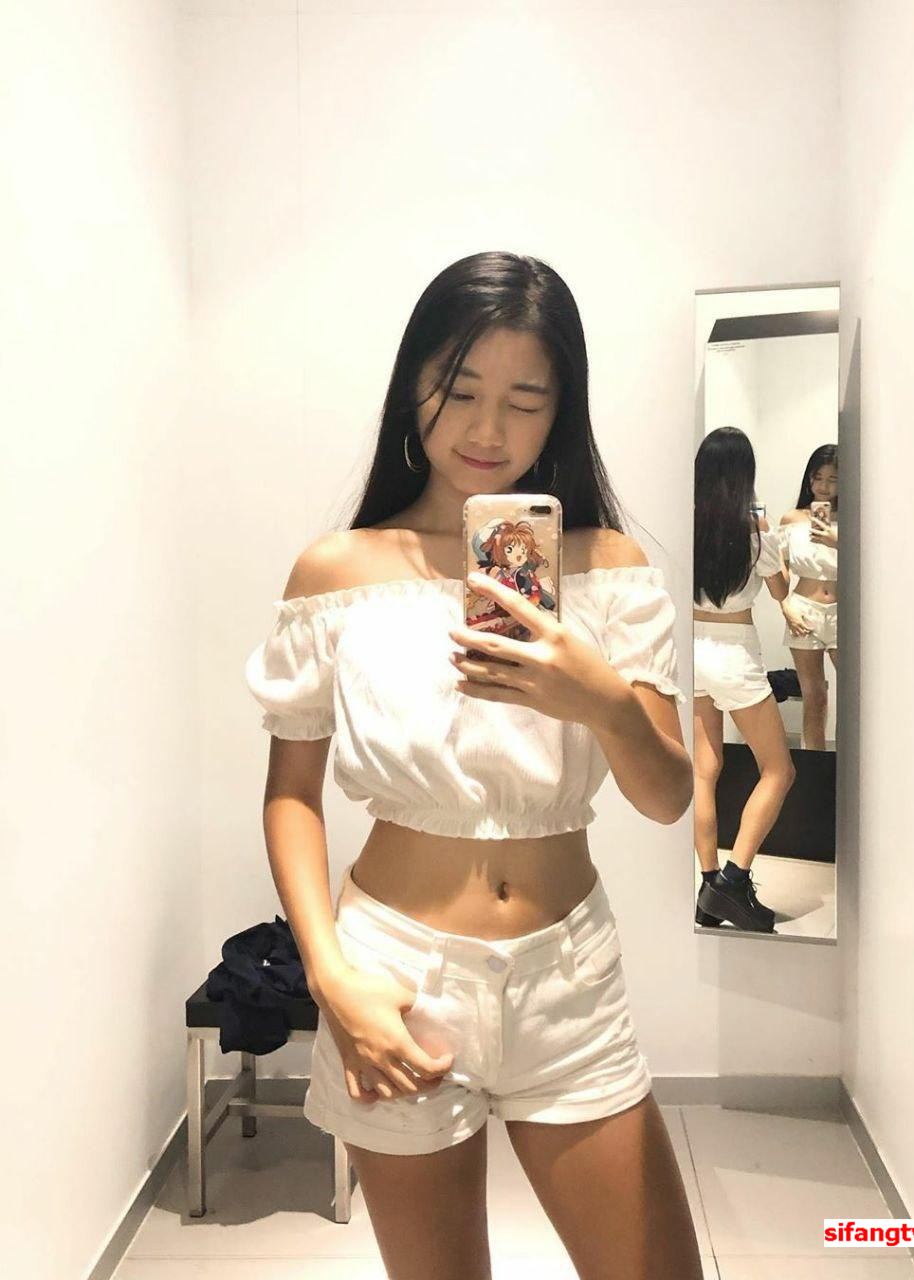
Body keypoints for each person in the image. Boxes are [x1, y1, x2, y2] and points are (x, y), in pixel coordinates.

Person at [244, 251, 703, 1279]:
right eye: (458, 390)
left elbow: (669, 795)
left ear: (560, 412)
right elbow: (291, 795)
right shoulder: (337, 573)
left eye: (524, 400)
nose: (486, 429)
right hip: (392, 975)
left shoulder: (609, 569)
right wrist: (330, 976)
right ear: (414, 384)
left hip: (567, 979)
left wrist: (598, 697)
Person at [692, 427, 802, 934]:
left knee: (704, 769)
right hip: (734, 654)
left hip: (692, 649)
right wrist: (766, 535)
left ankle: (708, 887)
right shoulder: (754, 530)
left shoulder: (687, 524)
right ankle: (733, 880)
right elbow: (779, 588)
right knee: (778, 770)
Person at [778, 445, 839, 750]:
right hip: (803, 609)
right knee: (814, 696)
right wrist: (785, 606)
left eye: (833, 479)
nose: (824, 486)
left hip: (844, 612)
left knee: (856, 696)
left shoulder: (854, 520)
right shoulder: (792, 519)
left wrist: (836, 539)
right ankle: (815, 763)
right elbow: (778, 568)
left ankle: (851, 766)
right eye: (818, 477)